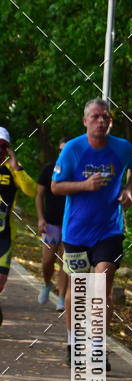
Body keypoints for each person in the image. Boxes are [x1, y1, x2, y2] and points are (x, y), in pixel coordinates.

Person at [51, 99, 132, 368]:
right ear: (85, 121)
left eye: (105, 117)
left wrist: (127, 189)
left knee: (102, 286)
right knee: (79, 288)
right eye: (95, 117)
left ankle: (99, 349)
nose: (101, 121)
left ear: (110, 121)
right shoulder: (72, 149)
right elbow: (56, 187)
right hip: (76, 231)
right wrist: (85, 185)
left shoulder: (122, 148)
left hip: (109, 229)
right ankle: (73, 344)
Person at [0, 127, 37, 326]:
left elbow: (31, 190)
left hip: (4, 234)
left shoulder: (13, 168)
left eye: (3, 146)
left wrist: (17, 170)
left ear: (8, 148)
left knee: (1, 280)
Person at [36, 137, 68, 310]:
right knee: (47, 262)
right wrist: (41, 218)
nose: (62, 153)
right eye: (60, 150)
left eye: (66, 150)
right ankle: (47, 283)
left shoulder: (76, 171)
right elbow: (39, 195)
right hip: (51, 224)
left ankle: (61, 297)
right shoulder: (49, 169)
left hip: (70, 225)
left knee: (66, 262)